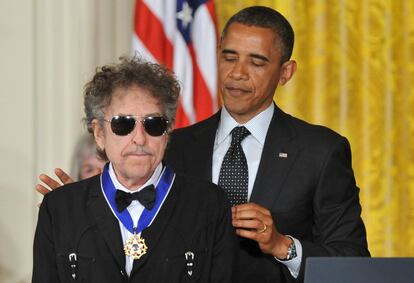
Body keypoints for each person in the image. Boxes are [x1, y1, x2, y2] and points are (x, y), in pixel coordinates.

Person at [37, 6, 369, 283]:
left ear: (286, 72)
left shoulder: (321, 152)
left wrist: (284, 245)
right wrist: (85, 209)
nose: (237, 73)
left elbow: (354, 265)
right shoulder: (170, 145)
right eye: (229, 57)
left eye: (256, 62)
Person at [32, 57, 236, 282]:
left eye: (153, 124)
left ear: (167, 132)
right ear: (99, 134)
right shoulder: (60, 208)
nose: (139, 138)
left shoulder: (208, 204)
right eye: (123, 124)